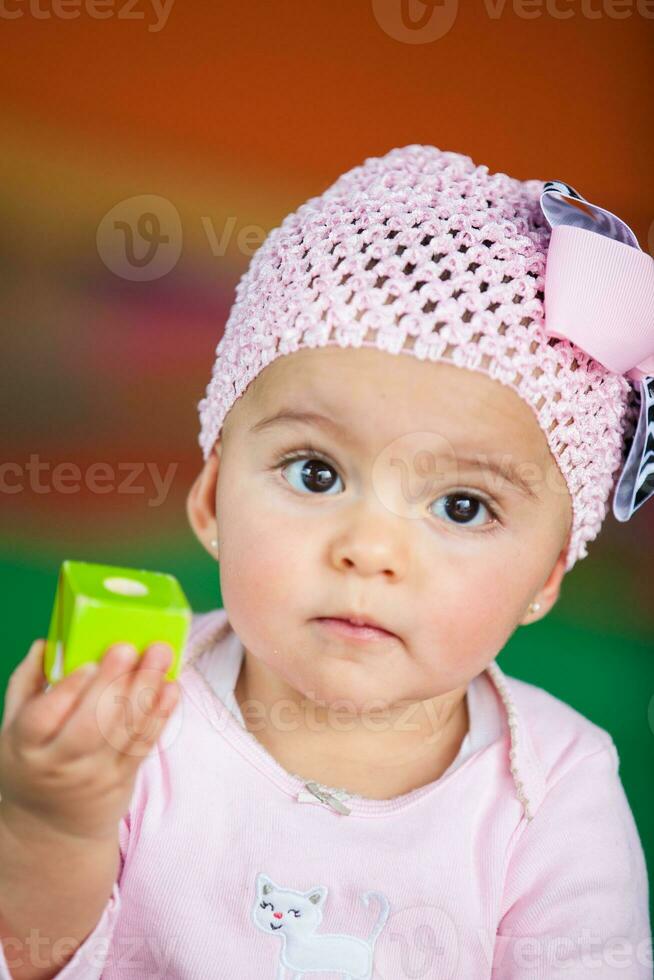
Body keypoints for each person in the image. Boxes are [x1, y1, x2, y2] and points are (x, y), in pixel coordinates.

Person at [1, 145, 652, 979]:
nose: (370, 551)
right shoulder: (134, 714)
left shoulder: (555, 787)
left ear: (548, 577)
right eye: (316, 473)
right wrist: (53, 823)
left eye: (463, 506)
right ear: (210, 498)